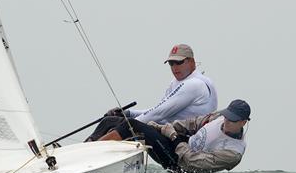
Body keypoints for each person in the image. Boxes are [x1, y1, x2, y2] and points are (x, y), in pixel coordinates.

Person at [86, 43, 217, 141]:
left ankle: (89, 152)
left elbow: (159, 113)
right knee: (110, 120)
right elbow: (159, 111)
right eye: (171, 63)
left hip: (182, 139)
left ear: (192, 62)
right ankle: (86, 149)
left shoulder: (194, 85)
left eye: (178, 62)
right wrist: (127, 113)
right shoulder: (181, 82)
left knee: (129, 125)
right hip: (170, 131)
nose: (174, 67)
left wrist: (129, 122)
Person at [96, 100, 251, 173]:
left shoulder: (233, 153)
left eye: (232, 120)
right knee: (113, 121)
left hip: (179, 165)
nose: (226, 121)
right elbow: (193, 123)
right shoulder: (220, 116)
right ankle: (83, 151)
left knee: (131, 125)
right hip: (179, 143)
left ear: (243, 122)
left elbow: (191, 162)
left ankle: (94, 156)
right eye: (227, 116)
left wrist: (174, 137)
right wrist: (167, 127)